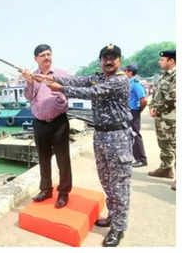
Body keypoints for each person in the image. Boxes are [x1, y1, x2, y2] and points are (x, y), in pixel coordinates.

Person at [43, 44, 133, 247]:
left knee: (120, 185)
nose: (108, 61)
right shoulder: (98, 76)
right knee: (107, 181)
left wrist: (61, 89)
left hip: (118, 136)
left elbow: (92, 92)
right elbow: (78, 80)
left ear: (119, 60)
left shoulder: (120, 81)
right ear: (101, 60)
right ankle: (113, 216)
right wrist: (52, 78)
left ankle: (119, 228)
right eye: (105, 58)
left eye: (113, 58)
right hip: (100, 135)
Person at [20, 44, 72, 209]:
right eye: (42, 55)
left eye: (49, 54)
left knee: (63, 159)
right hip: (39, 123)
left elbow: (71, 90)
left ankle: (63, 193)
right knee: (43, 158)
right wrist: (29, 82)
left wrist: (63, 97)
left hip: (59, 122)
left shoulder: (61, 74)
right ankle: (45, 190)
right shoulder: (32, 76)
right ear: (36, 59)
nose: (46, 58)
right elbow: (29, 96)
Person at [148, 50, 176, 191]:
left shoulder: (176, 76)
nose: (160, 62)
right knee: (164, 144)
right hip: (162, 118)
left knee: (176, 146)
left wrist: (157, 109)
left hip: (172, 118)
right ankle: (166, 169)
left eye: (163, 60)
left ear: (171, 61)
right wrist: (152, 106)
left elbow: (173, 97)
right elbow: (157, 94)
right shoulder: (163, 76)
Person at [123, 64, 148, 168]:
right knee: (129, 135)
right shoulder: (129, 83)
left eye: (125, 71)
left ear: (130, 72)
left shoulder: (136, 83)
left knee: (135, 135)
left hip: (134, 112)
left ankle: (141, 159)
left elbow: (144, 100)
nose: (124, 73)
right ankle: (134, 157)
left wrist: (138, 110)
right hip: (129, 112)